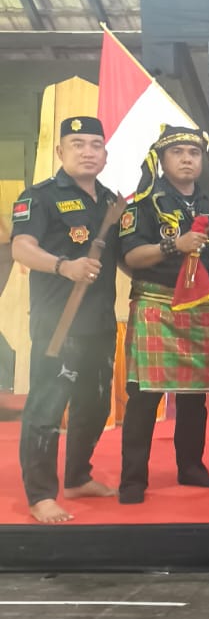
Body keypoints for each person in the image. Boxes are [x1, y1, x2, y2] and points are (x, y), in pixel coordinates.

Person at [11, 115, 120, 524]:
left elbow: (123, 256)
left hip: (100, 322)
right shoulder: (40, 197)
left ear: (105, 154)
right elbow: (21, 247)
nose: (87, 152)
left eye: (95, 144)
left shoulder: (111, 201)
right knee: (47, 407)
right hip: (59, 323)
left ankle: (77, 477)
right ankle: (40, 495)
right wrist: (63, 266)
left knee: (95, 404)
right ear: (60, 151)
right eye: (77, 144)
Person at [117, 125, 209, 504]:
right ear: (161, 160)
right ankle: (133, 480)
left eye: (194, 153)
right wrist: (173, 245)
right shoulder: (143, 203)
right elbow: (131, 256)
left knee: (194, 398)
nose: (186, 159)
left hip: (201, 307)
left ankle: (191, 468)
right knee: (144, 398)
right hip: (156, 304)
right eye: (177, 152)